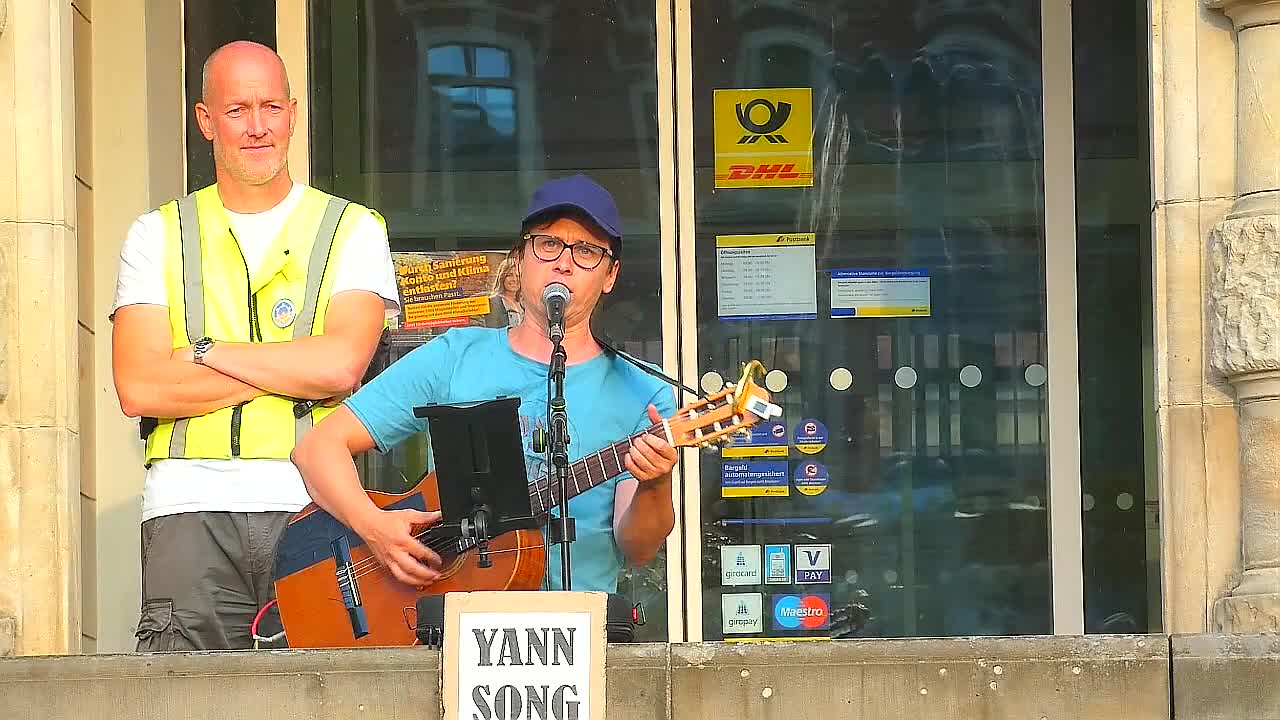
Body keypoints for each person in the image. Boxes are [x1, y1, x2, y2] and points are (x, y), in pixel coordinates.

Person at [110, 40, 399, 651]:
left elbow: (341, 365)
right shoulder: (156, 234)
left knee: (324, 699)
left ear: (294, 112)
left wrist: (203, 352)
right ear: (205, 120)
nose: (258, 125)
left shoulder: (353, 227)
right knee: (183, 703)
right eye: (237, 109)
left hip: (315, 503)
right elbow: (139, 386)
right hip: (187, 504)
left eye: (271, 106)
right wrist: (295, 366)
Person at [291, 174, 679, 593]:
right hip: (458, 625)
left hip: (583, 630)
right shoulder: (455, 356)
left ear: (610, 275)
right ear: (521, 259)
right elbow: (316, 448)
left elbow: (638, 549)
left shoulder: (644, 391)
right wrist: (374, 528)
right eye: (548, 244)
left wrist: (655, 484)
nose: (564, 262)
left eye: (586, 250)